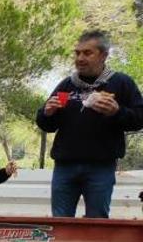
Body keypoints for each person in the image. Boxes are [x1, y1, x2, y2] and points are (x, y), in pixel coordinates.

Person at [37, 30, 143, 218]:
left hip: (101, 167)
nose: (80, 58)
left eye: (87, 53)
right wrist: (46, 113)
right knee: (60, 222)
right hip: (65, 166)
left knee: (97, 223)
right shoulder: (67, 85)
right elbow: (47, 125)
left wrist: (117, 112)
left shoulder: (121, 83)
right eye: (77, 53)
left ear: (103, 55)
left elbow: (139, 119)